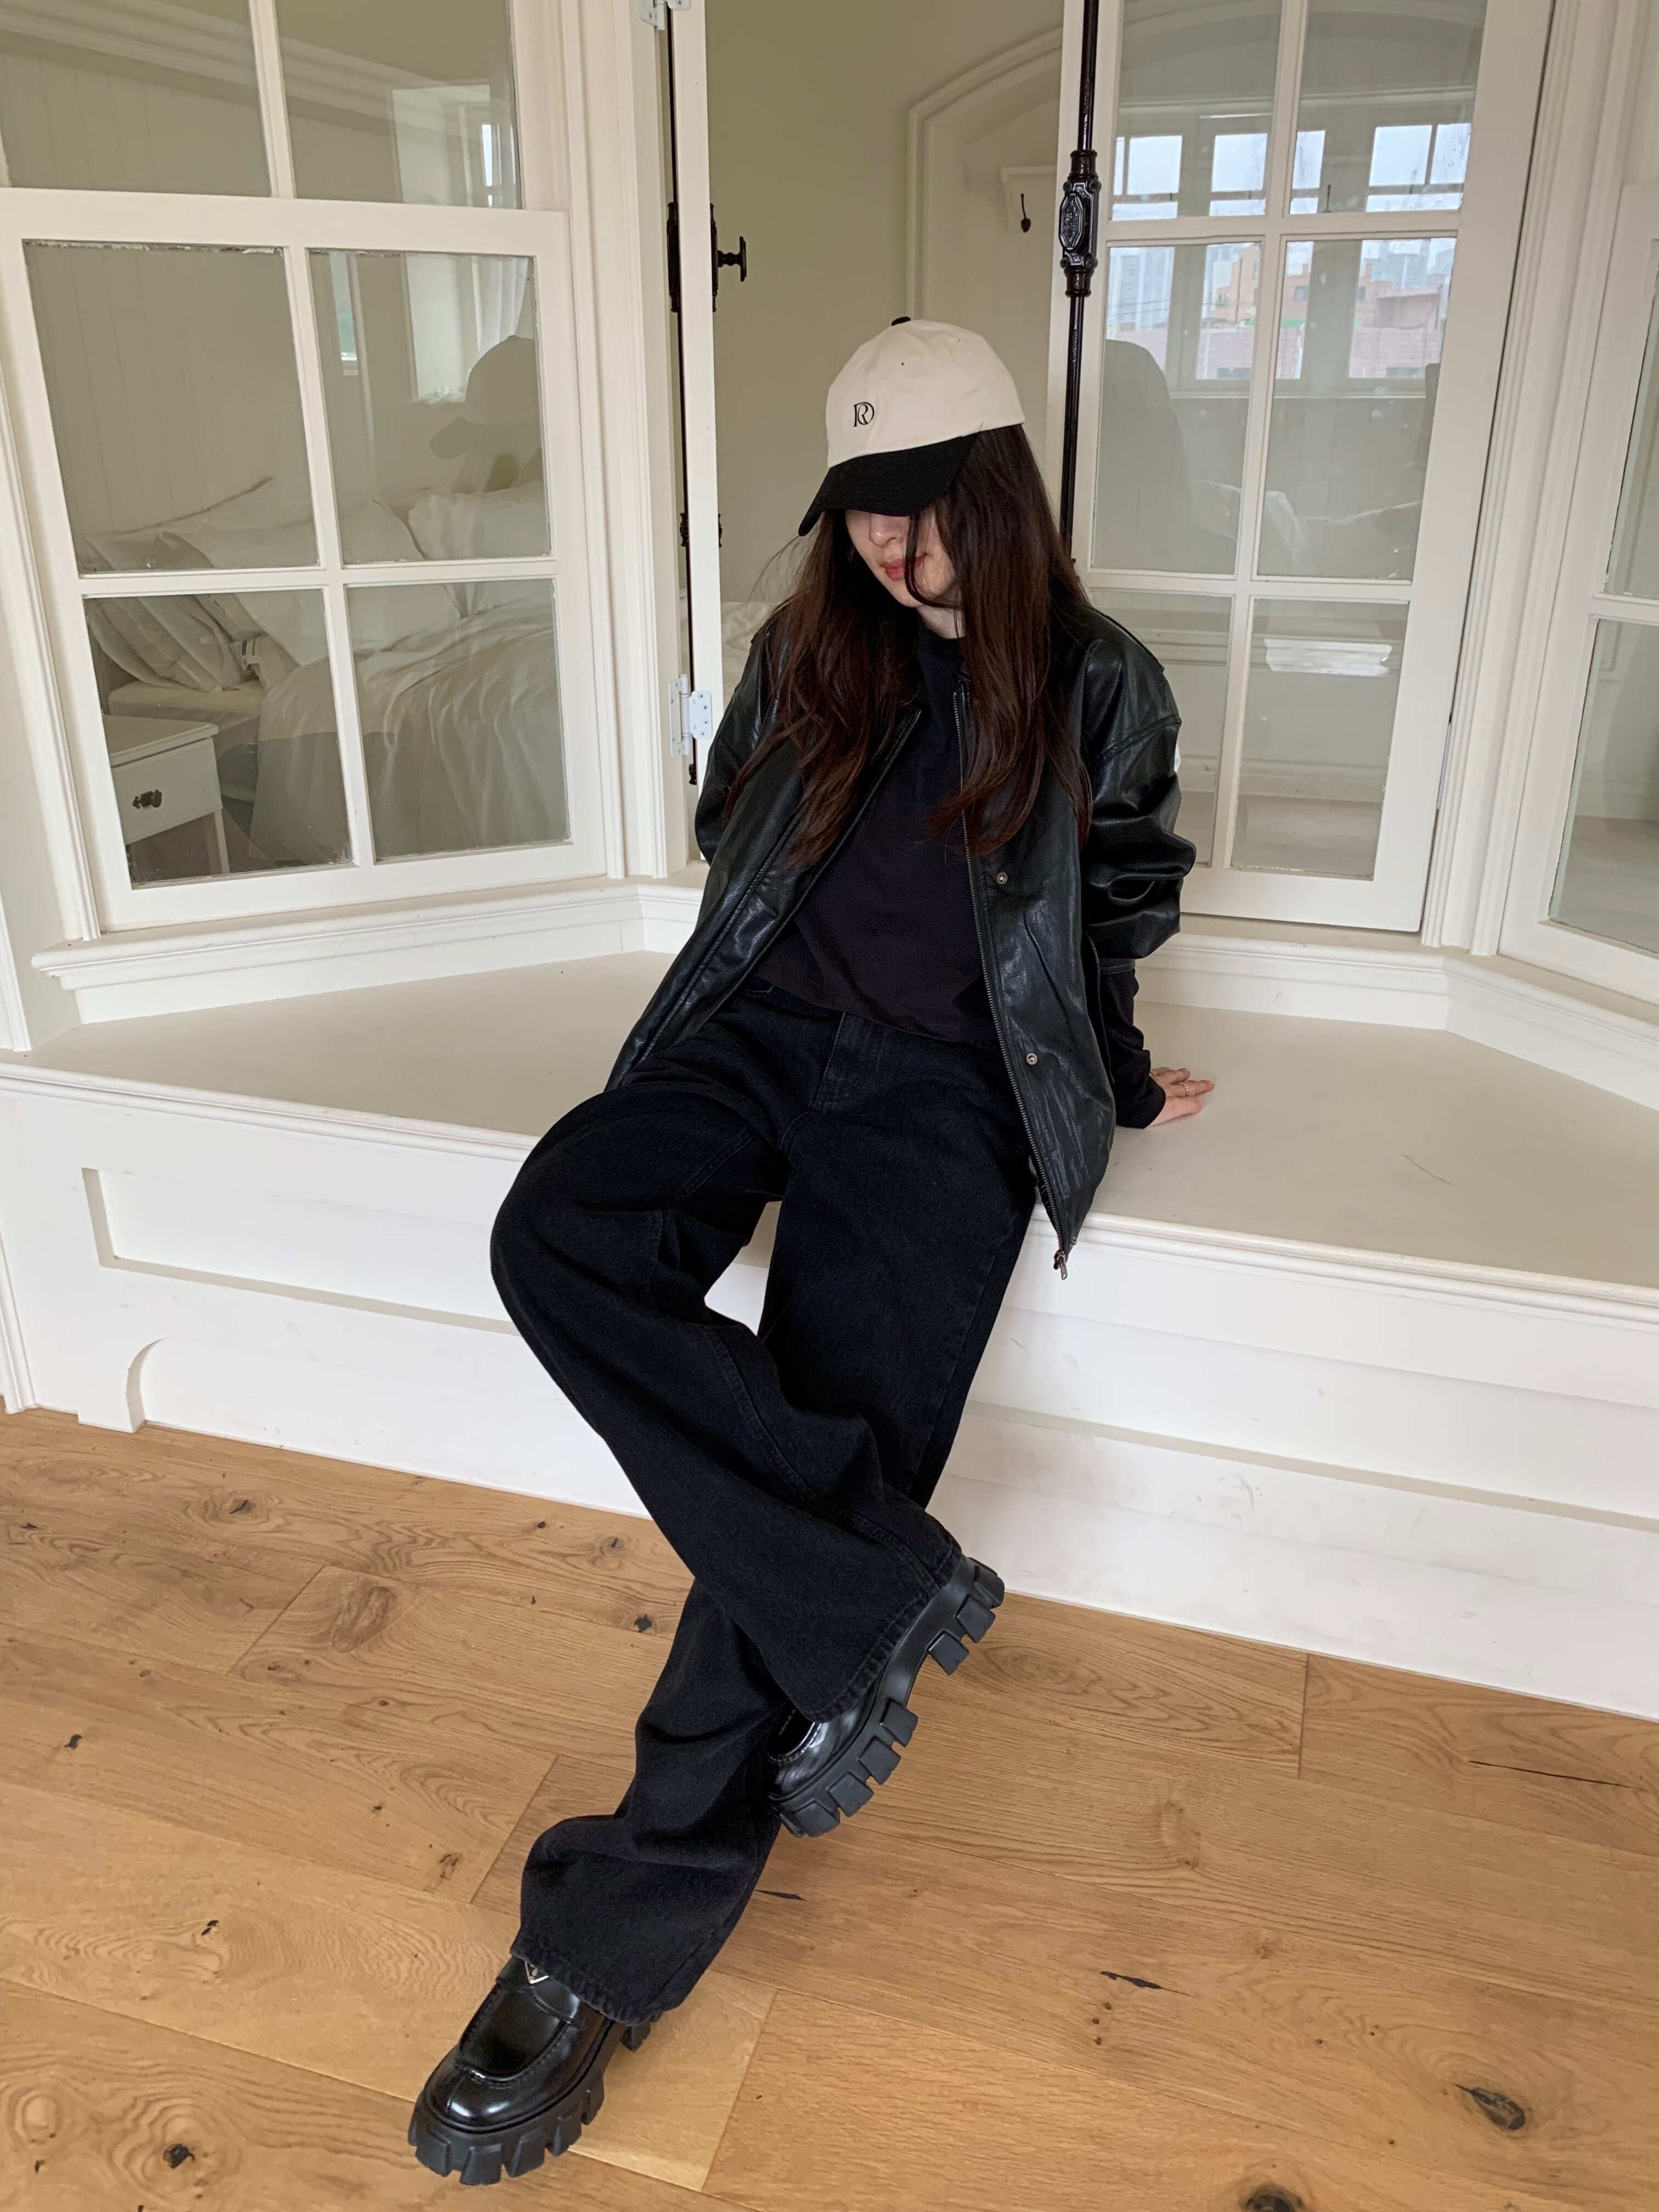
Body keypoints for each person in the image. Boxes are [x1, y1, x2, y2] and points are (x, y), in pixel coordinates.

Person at [409, 319, 1209, 2186]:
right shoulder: (807, 649)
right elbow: (737, 835)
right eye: (863, 513)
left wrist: (1104, 1070)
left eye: (924, 512)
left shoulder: (1102, 682)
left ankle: (597, 1948)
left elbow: (1112, 906)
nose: (893, 549)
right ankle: (876, 1589)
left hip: (947, 1097)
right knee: (558, 1232)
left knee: (787, 1497)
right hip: (759, 1037)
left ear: (1000, 497)